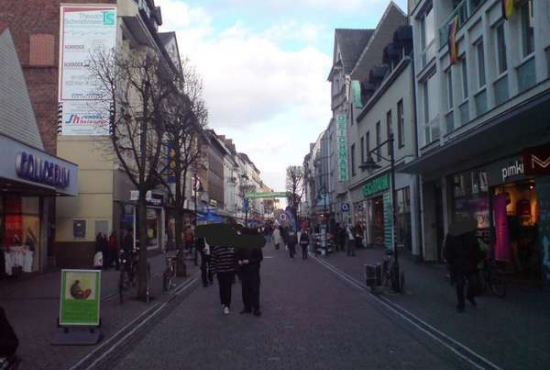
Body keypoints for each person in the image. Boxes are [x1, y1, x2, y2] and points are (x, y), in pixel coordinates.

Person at [444, 218, 484, 313]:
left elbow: (475, 247)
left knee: (474, 283)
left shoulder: (470, 235)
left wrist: (479, 256)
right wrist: (451, 261)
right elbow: (447, 250)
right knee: (460, 284)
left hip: (469, 263)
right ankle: (461, 305)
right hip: (457, 265)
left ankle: (469, 296)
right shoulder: (451, 236)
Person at [237, 233, 263, 316]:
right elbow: (237, 256)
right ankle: (247, 307)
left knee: (255, 290)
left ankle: (256, 308)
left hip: (254, 271)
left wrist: (249, 261)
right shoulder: (241, 247)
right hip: (244, 271)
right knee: (245, 290)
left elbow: (260, 258)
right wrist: (239, 261)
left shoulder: (256, 246)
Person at [211, 244, 237, 315]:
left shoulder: (231, 247)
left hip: (229, 272)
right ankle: (223, 302)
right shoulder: (217, 248)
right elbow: (213, 261)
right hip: (220, 272)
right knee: (222, 288)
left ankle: (227, 305)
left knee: (228, 288)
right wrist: (214, 272)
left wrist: (235, 270)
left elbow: (235, 259)